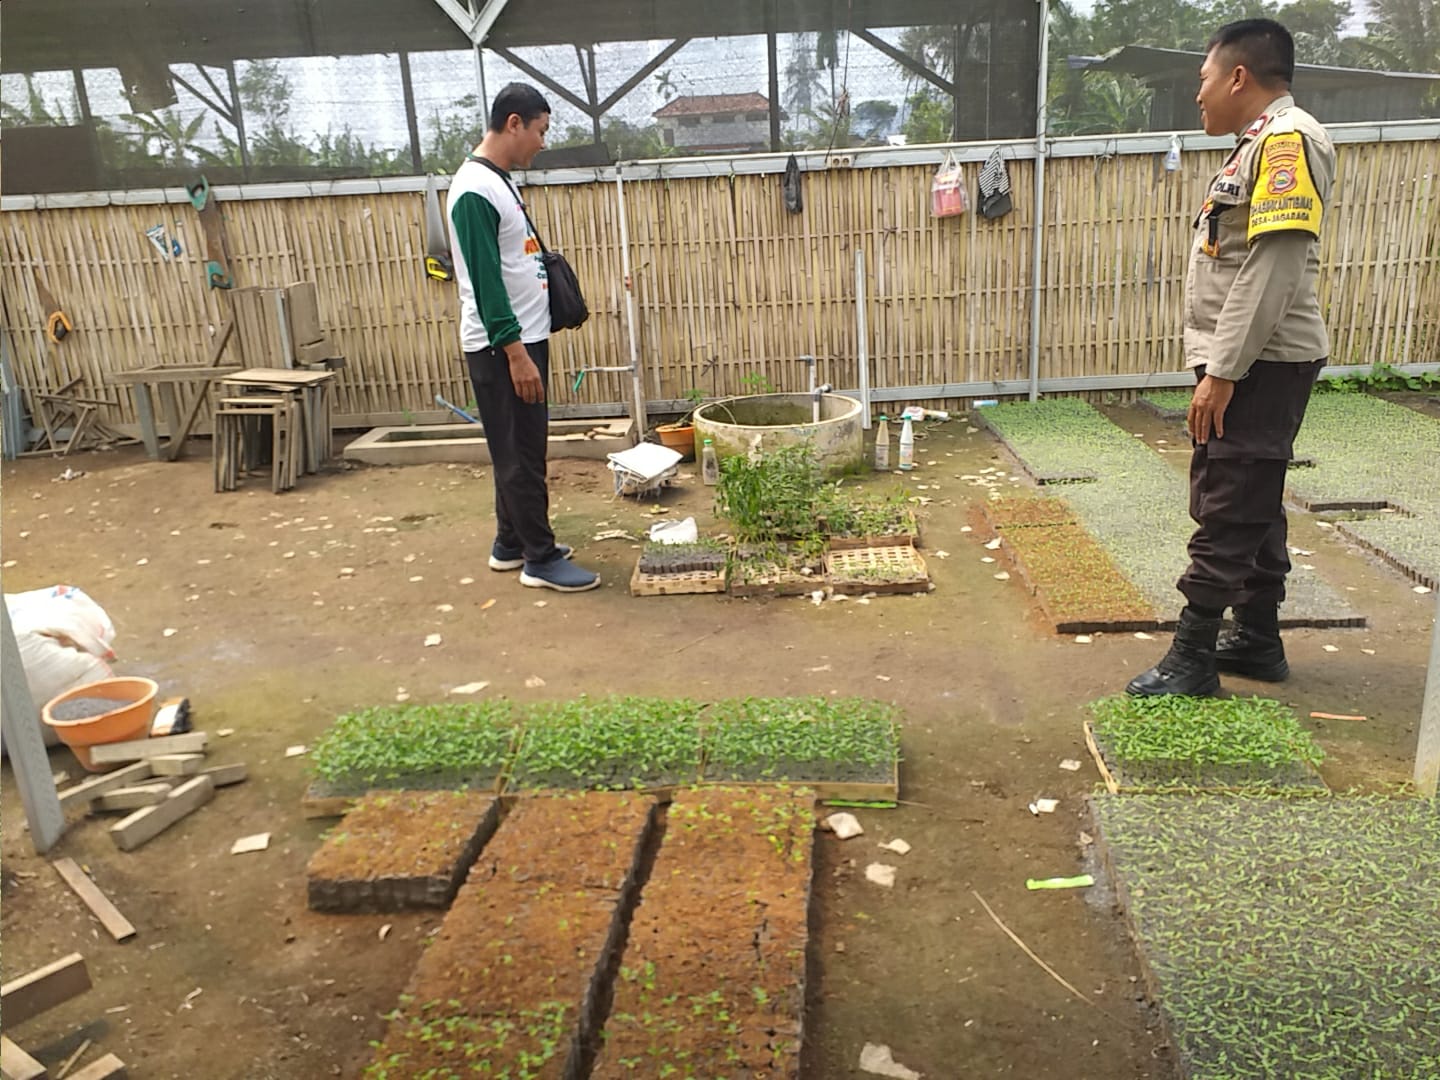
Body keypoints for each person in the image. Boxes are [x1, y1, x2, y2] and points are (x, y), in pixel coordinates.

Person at [1128, 19, 1334, 696]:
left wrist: (1223, 372)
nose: (1200, 95)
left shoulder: (1286, 142)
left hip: (1258, 363)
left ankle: (1192, 656)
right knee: (1250, 496)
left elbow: (1271, 267)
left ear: (1240, 77)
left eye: (1204, 79)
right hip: (1251, 359)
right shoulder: (1256, 146)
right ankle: (1256, 637)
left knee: (1232, 501)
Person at [448, 83, 600, 592]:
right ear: (514, 123)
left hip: (520, 338)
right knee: (521, 454)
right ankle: (540, 558)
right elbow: (486, 281)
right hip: (502, 347)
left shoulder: (497, 180)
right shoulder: (474, 190)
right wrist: (515, 352)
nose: (541, 142)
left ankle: (510, 544)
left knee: (514, 447)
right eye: (540, 131)